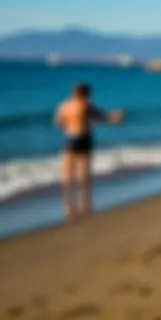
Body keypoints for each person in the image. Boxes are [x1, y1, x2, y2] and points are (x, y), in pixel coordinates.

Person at [54, 82, 124, 219]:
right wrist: (115, 117)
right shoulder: (85, 105)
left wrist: (70, 124)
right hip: (85, 137)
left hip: (71, 138)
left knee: (68, 171)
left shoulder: (64, 105)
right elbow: (101, 117)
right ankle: (85, 202)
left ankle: (68, 204)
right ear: (85, 94)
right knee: (84, 170)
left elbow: (58, 123)